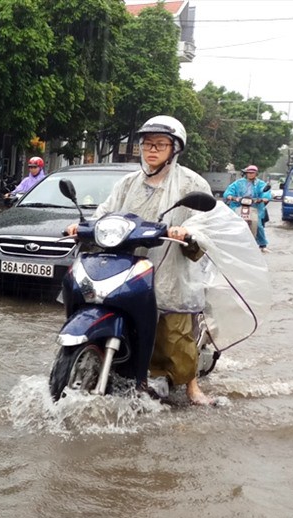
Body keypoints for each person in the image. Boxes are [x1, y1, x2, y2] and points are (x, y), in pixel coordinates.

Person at [66, 115, 215, 406]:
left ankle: (192, 386)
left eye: (160, 144)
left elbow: (205, 223)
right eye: (147, 144)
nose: (152, 150)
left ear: (175, 149)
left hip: (169, 262)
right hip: (128, 259)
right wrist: (82, 227)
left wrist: (187, 232)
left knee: (174, 330)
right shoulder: (128, 182)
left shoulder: (191, 182)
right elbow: (105, 211)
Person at [223, 164, 269, 251]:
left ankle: (263, 245)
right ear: (246, 173)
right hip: (237, 205)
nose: (250, 174)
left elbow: (265, 192)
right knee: (230, 221)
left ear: (256, 174)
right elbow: (229, 191)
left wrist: (263, 198)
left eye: (252, 173)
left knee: (258, 225)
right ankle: (227, 241)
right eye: (249, 173)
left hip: (255, 206)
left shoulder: (261, 184)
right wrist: (230, 196)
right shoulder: (238, 183)